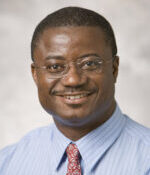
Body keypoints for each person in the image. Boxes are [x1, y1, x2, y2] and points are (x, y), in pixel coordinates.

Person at [0, 6, 150, 175]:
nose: (73, 80)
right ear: (35, 75)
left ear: (114, 69)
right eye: (55, 66)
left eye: (90, 64)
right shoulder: (8, 163)